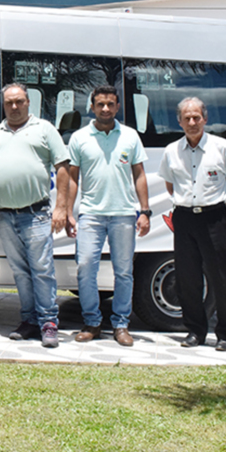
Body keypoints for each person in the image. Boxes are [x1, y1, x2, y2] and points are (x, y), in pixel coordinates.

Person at [0, 83, 70, 349]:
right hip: (6, 216)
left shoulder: (44, 129)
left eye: (19, 101)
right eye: (9, 103)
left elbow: (62, 167)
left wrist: (62, 207)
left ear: (29, 102)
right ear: (3, 105)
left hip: (36, 213)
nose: (14, 107)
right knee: (20, 272)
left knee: (42, 271)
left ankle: (48, 323)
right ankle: (29, 321)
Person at [65, 85, 151, 347]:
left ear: (117, 107)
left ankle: (121, 324)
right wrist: (68, 212)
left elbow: (139, 174)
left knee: (124, 272)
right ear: (91, 107)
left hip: (124, 214)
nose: (105, 109)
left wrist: (145, 211)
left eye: (110, 104)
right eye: (100, 104)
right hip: (90, 214)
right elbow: (72, 178)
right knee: (85, 268)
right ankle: (92, 321)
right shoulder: (79, 138)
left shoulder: (130, 136)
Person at [158, 97, 226, 352]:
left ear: (205, 119)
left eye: (197, 117)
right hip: (184, 218)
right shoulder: (171, 151)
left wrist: (219, 203)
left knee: (221, 278)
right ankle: (195, 331)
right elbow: (169, 184)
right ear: (179, 121)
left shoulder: (223, 147)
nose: (192, 122)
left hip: (214, 218)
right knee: (187, 278)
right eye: (187, 118)